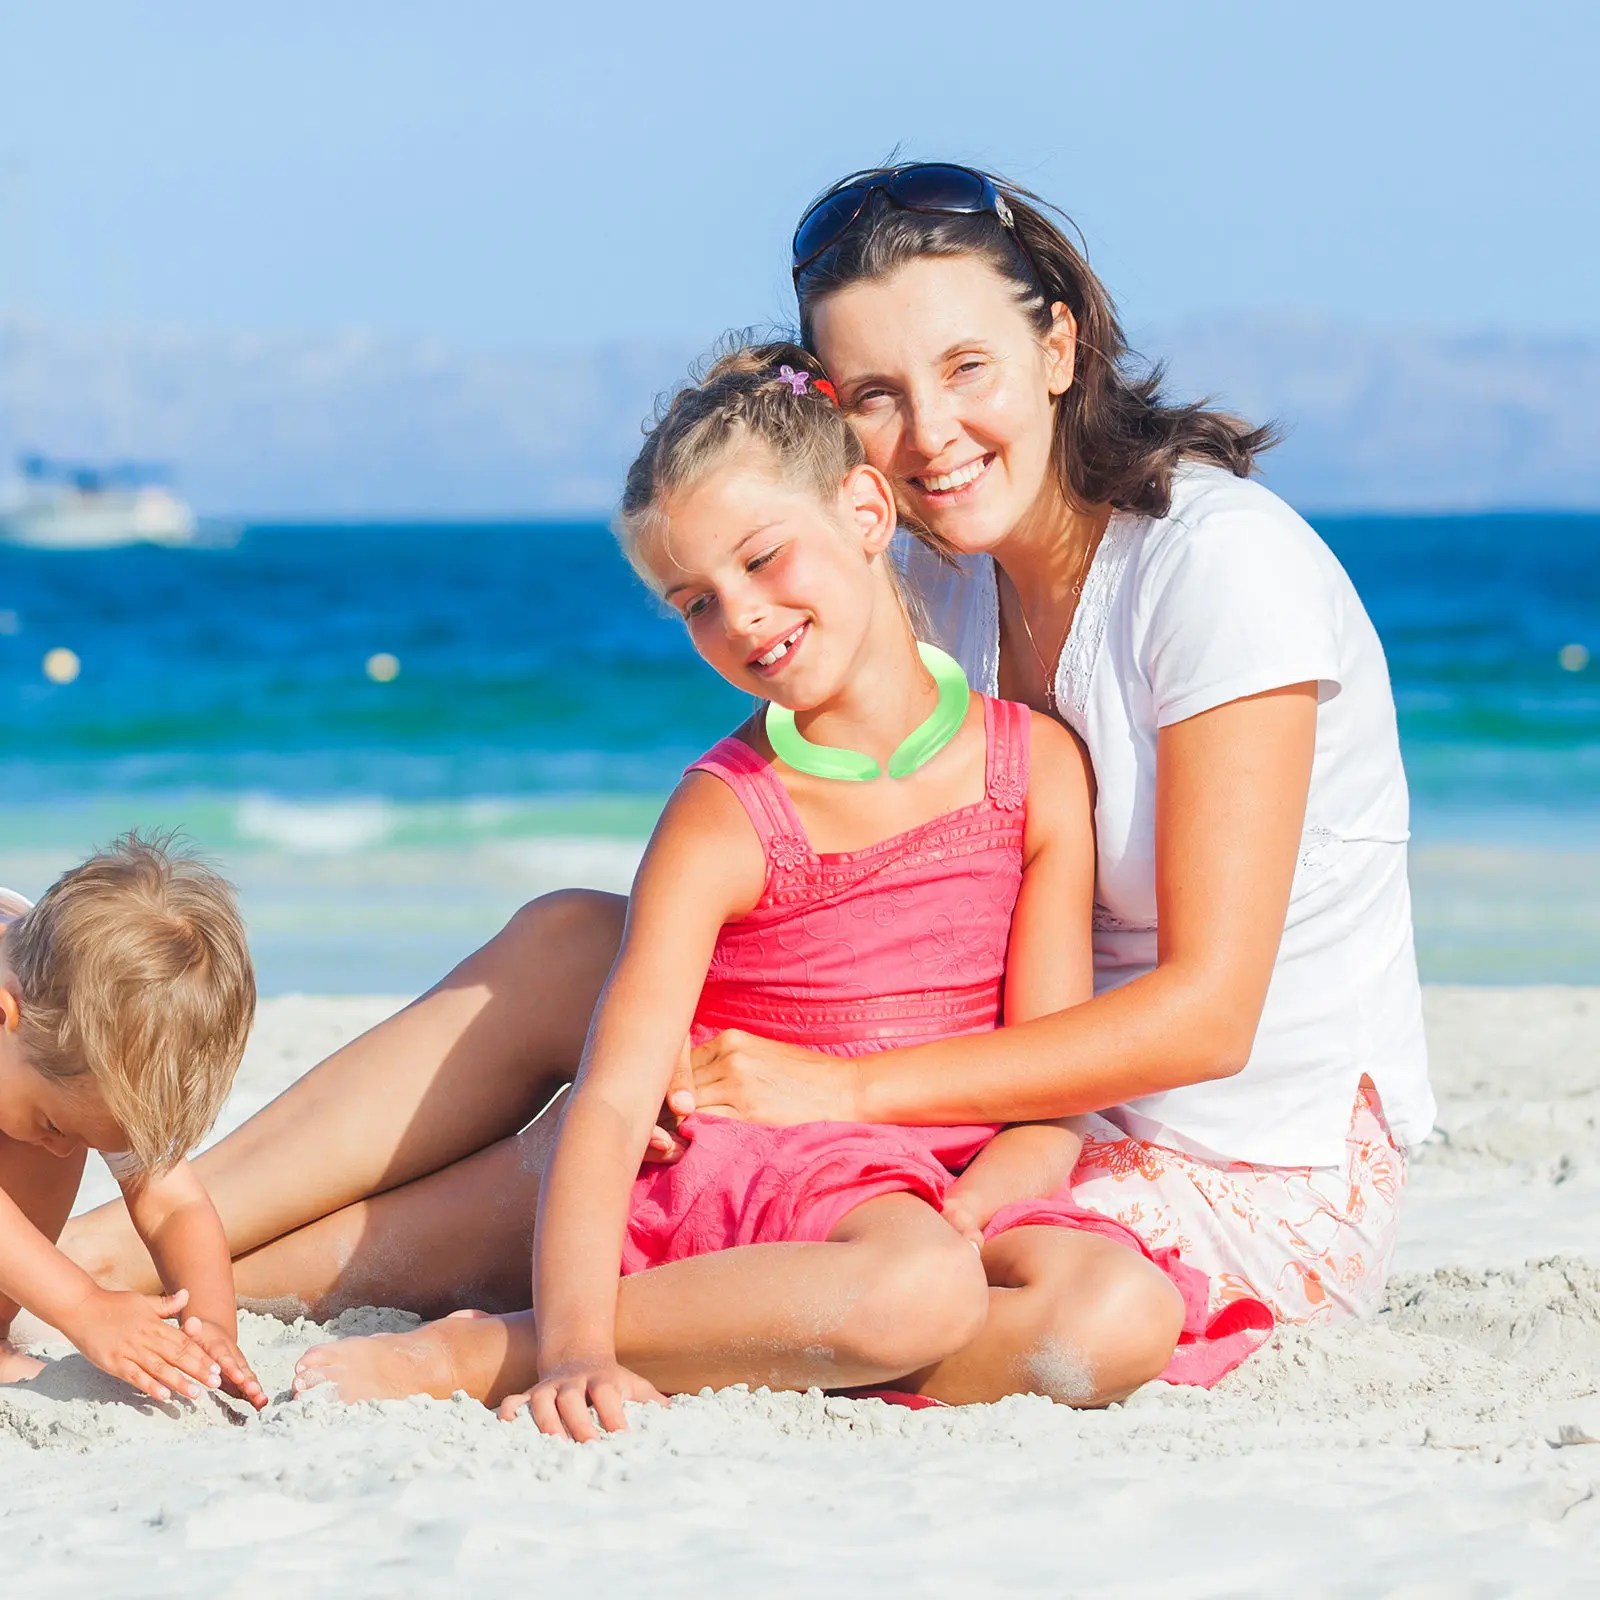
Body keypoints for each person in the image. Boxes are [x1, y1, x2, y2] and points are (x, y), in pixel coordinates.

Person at [64, 158, 1426, 1377]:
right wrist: (712, 1068)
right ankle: (137, 1250)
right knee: (582, 960)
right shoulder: (949, 575)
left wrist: (833, 1091)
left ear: (1058, 344)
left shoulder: (1218, 568)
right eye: (878, 394)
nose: (932, 433)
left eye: (968, 367)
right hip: (945, 1080)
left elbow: (1206, 1021)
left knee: (1067, 1317)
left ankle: (523, 1337)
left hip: (1198, 1148)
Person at [291, 342, 1248, 1435]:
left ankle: (795, 1327)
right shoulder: (725, 812)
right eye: (695, 601)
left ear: (866, 511)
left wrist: (974, 1207)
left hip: (946, 1178)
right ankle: (496, 1347)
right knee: (918, 1291)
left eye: (761, 559)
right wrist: (574, 1352)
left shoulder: (1035, 768)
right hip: (773, 1170)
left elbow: (1049, 1090)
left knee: (1119, 1314)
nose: (740, 615)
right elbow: (611, 1103)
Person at [0, 838, 265, 1409]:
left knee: (37, 1133)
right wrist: (82, 1306)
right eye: (56, 1123)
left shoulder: (66, 1009)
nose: (63, 1150)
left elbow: (174, 1205)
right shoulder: (46, 1013)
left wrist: (211, 1326)